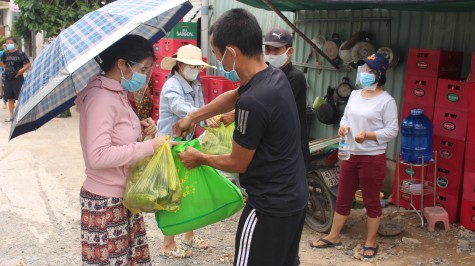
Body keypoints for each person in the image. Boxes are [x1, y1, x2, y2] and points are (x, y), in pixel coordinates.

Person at [173, 8, 308, 266]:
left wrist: (199, 158)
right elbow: (234, 96)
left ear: (231, 52)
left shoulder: (254, 102)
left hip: (268, 207)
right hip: (294, 199)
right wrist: (193, 117)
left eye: (217, 54)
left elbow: (238, 163)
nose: (219, 61)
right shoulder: (273, 77)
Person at [75, 34, 167, 265]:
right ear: (122, 64)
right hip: (105, 202)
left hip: (123, 197)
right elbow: (98, 156)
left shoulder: (119, 94)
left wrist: (143, 132)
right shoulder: (101, 99)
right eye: (143, 68)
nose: (145, 76)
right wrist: (147, 147)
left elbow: (120, 141)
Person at [310, 53, 398, 259]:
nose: (364, 73)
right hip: (349, 153)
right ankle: (333, 236)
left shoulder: (387, 101)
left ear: (379, 73)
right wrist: (342, 129)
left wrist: (369, 135)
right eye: (363, 69)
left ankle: (371, 241)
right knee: (343, 196)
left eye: (368, 70)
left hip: (372, 157)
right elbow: (346, 118)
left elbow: (392, 130)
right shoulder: (356, 95)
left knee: (370, 200)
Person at [156, 44, 218, 258]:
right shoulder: (172, 85)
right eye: (191, 66)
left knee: (189, 189)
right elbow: (179, 107)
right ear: (180, 65)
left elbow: (200, 109)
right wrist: (199, 116)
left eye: (197, 66)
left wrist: (210, 120)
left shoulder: (195, 83)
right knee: (172, 192)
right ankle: (168, 244)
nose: (195, 70)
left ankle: (189, 236)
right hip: (170, 145)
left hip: (187, 143)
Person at [263, 27, 310, 169]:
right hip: (274, 148)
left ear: (289, 51)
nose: (271, 54)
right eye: (268, 49)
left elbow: (272, 108)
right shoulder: (267, 74)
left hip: (292, 150)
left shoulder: (294, 77)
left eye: (276, 50)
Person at [1, 37, 31, 122]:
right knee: (10, 98)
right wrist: (5, 69)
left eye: (10, 43)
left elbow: (28, 64)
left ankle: (21, 116)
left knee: (20, 97)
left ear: (15, 44)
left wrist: (21, 71)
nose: (9, 45)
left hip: (18, 79)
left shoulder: (21, 54)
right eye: (7, 43)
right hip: (8, 79)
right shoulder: (5, 54)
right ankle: (11, 116)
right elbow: (2, 62)